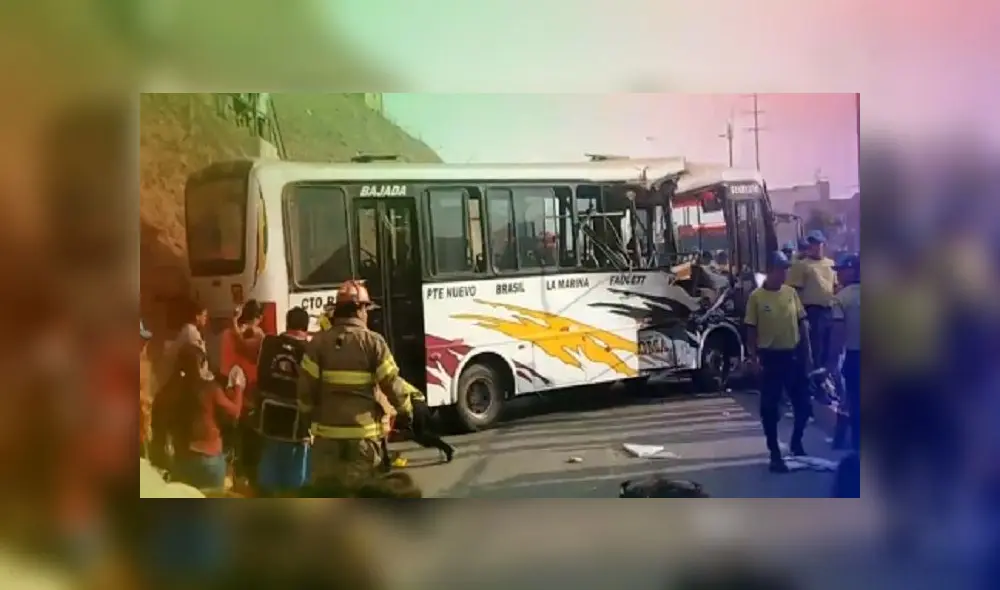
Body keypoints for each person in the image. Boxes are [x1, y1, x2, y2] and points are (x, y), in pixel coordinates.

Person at [297, 280, 416, 484]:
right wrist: (406, 410)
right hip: (363, 440)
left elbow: (305, 390)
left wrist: (306, 418)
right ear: (359, 310)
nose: (367, 314)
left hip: (327, 440)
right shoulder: (374, 342)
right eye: (366, 309)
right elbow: (391, 382)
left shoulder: (318, 343)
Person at [744, 251, 814, 473]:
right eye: (781, 269)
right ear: (770, 270)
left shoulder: (791, 293)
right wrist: (753, 358)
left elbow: (803, 324)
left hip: (793, 355)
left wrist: (808, 355)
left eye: (786, 269)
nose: (784, 273)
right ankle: (775, 453)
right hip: (770, 358)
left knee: (804, 406)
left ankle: (796, 442)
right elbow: (751, 329)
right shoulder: (756, 297)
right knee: (770, 409)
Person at [152, 344, 244, 490]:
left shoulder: (169, 391)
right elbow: (235, 412)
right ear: (201, 365)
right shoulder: (209, 389)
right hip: (209, 461)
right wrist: (238, 386)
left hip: (182, 461)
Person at [255, 307, 313, 496]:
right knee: (297, 480)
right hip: (296, 422)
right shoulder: (310, 350)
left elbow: (261, 377)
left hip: (268, 417)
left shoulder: (269, 343)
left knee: (269, 466)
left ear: (287, 324)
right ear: (306, 327)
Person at [786, 230, 836, 396]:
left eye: (818, 243)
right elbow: (794, 291)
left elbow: (836, 286)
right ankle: (815, 385)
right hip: (812, 311)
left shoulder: (830, 264)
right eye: (813, 244)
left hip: (830, 310)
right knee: (815, 350)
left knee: (830, 350)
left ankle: (827, 382)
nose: (816, 247)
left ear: (823, 244)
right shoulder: (802, 265)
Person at [221, 300, 266, 488]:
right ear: (259, 317)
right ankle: (249, 479)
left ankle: (238, 477)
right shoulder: (259, 336)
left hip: (232, 394)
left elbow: (224, 367)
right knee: (250, 444)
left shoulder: (228, 334)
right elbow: (245, 348)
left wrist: (234, 323)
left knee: (236, 442)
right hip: (250, 399)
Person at [829, 253, 861, 451]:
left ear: (852, 271)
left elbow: (838, 334)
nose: (838, 275)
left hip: (855, 357)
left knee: (855, 402)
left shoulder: (842, 298)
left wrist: (832, 362)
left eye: (841, 271)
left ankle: (857, 447)